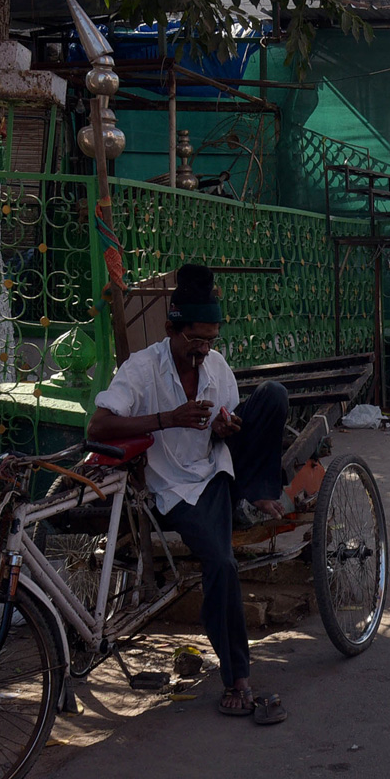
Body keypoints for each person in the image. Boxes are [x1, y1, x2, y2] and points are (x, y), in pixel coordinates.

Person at [87, 264, 290, 724]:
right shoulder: (141, 369)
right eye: (195, 339)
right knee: (220, 563)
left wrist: (224, 425)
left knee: (274, 395)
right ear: (171, 329)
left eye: (210, 340)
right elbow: (99, 426)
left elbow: (229, 419)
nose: (203, 349)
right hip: (175, 486)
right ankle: (238, 678)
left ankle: (257, 492)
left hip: (217, 468)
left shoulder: (215, 365)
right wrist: (167, 419)